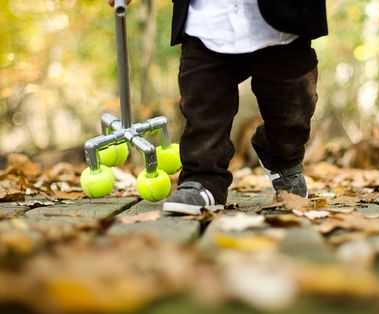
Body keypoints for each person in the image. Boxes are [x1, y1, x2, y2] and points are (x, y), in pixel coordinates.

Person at [109, 0, 328, 215]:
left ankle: (283, 161)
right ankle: (203, 179)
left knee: (293, 115)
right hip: (207, 23)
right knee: (203, 110)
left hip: (285, 26)